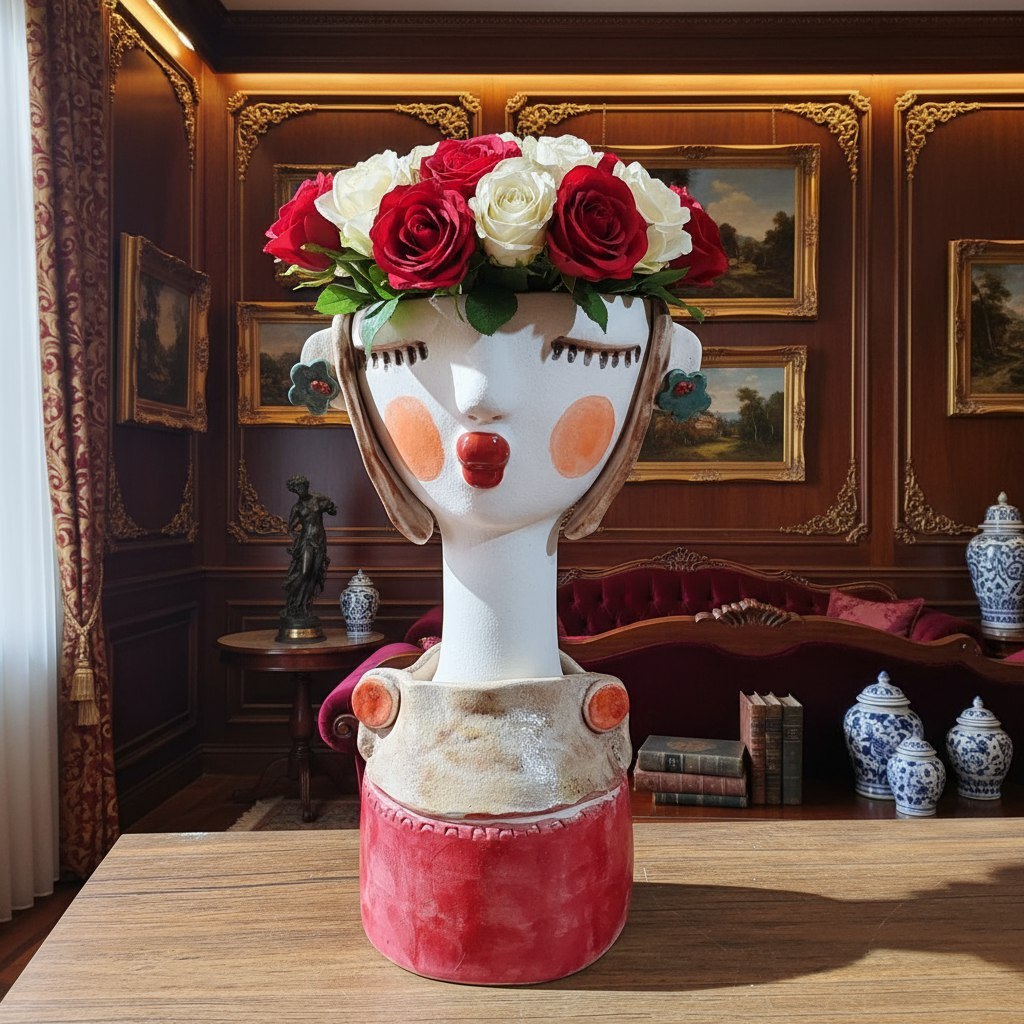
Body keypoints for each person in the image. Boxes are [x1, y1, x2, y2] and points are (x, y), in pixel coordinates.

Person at [281, 475, 336, 621]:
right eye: (298, 488)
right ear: (294, 490)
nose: (302, 489)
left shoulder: (317, 498)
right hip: (307, 540)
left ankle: (304, 605)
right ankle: (293, 602)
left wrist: (331, 507)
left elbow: (332, 510)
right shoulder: (297, 508)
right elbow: (290, 528)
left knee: (314, 573)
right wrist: (296, 540)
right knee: (305, 571)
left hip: (320, 540)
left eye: (303, 486)